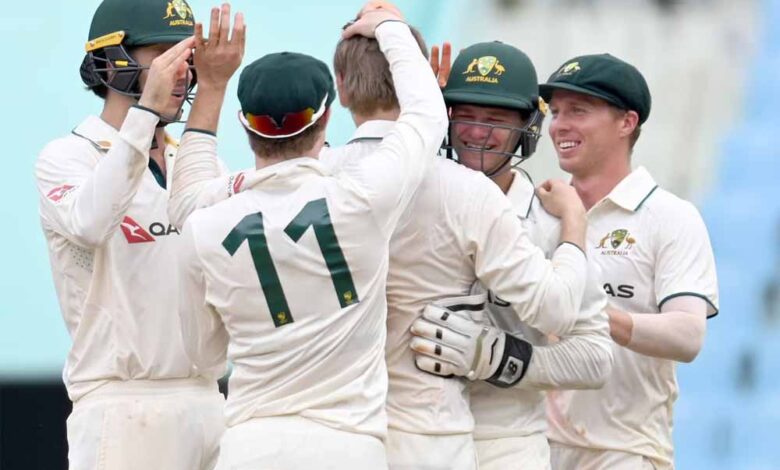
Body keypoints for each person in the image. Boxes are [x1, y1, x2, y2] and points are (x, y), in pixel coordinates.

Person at [169, 4, 590, 469]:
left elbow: (189, 209)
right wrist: (574, 228)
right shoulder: (459, 190)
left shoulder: (300, 183)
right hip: (427, 436)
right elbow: (557, 308)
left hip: (314, 431)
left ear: (342, 88)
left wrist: (212, 91)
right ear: (422, 82)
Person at [175, 4, 448, 468]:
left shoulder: (205, 225)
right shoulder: (362, 198)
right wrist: (390, 26)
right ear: (325, 118)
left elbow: (205, 357)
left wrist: (213, 86)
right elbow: (426, 115)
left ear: (246, 124)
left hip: (250, 448)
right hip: (348, 447)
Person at [34, 1, 239, 468]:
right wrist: (144, 114)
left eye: (187, 56)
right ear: (113, 62)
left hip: (210, 401)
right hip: (121, 406)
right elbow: (91, 222)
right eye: (162, 54)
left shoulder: (202, 162)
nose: (181, 71)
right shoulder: (66, 157)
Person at [408, 42, 613, 470]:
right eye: (465, 116)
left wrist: (499, 358)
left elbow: (596, 357)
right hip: (414, 436)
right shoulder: (409, 198)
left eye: (495, 120)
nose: (476, 132)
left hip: (506, 442)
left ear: (528, 128)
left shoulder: (550, 222)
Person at [539, 53, 720, 470]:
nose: (559, 125)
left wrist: (587, 313)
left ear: (627, 122)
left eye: (578, 111)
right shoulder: (538, 211)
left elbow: (687, 336)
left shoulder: (670, 216)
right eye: (556, 111)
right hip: (533, 448)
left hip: (625, 453)